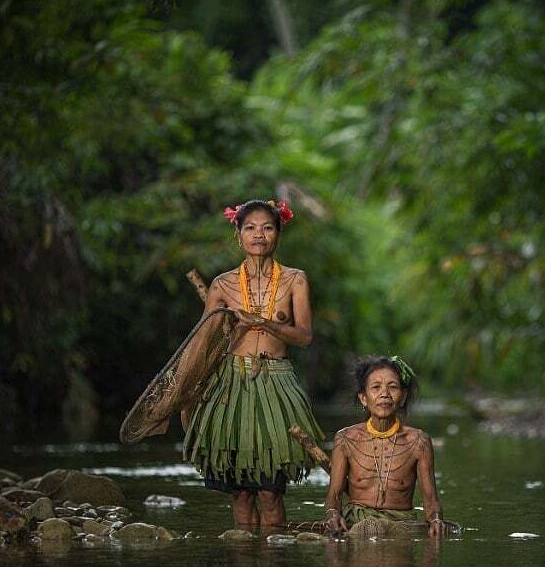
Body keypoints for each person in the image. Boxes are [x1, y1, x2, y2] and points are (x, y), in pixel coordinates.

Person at [182, 199, 325, 528]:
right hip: (229, 384)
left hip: (276, 383)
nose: (258, 235)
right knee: (241, 493)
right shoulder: (221, 284)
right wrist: (185, 393)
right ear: (238, 234)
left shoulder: (295, 280)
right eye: (250, 227)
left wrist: (265, 323)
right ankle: (245, 564)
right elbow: (204, 343)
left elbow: (304, 336)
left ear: (278, 233)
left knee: (270, 491)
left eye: (267, 227)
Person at [323, 355, 449, 537]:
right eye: (376, 387)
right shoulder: (345, 439)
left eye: (393, 387)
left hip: (400, 525)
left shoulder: (419, 442)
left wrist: (436, 520)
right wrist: (332, 515)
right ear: (363, 398)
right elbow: (333, 496)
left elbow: (431, 501)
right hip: (355, 524)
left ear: (403, 397)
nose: (384, 394)